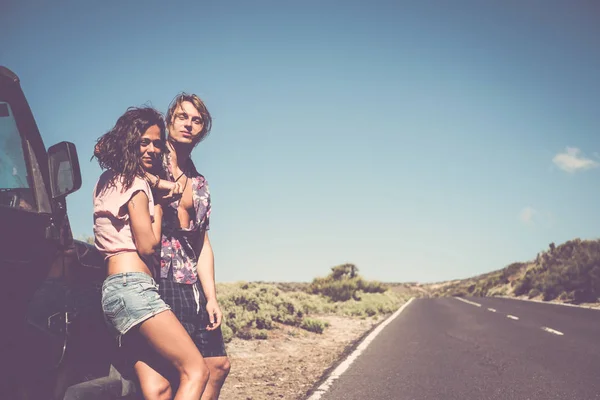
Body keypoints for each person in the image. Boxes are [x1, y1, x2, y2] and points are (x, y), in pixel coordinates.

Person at [92, 106, 210, 400]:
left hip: (113, 291)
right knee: (197, 370)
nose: (152, 149)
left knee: (159, 388)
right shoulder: (137, 185)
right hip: (135, 288)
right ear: (130, 141)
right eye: (144, 141)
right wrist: (157, 204)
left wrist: (157, 184)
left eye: (157, 143)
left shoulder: (108, 180)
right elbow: (147, 245)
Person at [142, 93, 230, 399]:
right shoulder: (151, 160)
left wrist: (212, 297)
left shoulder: (200, 182)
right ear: (169, 121)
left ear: (203, 129)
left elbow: (202, 242)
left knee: (217, 366)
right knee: (173, 376)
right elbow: (111, 154)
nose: (189, 125)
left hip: (191, 282)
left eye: (196, 120)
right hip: (159, 280)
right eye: (182, 117)